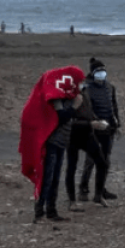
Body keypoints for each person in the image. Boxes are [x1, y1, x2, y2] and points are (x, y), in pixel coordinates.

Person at [20, 66, 85, 223]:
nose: (80, 84)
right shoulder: (57, 98)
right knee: (47, 178)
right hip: (52, 142)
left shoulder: (70, 96)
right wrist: (75, 106)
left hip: (61, 142)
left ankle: (51, 211)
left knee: (55, 178)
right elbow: (60, 117)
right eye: (79, 81)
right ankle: (39, 213)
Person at [79, 58, 120, 202]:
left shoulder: (110, 87)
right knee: (91, 160)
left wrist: (117, 124)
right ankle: (83, 188)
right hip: (94, 129)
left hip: (108, 129)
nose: (102, 73)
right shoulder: (87, 89)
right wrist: (91, 123)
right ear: (92, 73)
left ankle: (101, 188)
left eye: (103, 70)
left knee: (105, 160)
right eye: (98, 71)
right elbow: (85, 109)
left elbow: (113, 107)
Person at [65, 80, 110, 209]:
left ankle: (98, 195)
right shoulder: (68, 97)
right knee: (71, 167)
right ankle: (72, 200)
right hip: (73, 136)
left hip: (88, 135)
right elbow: (67, 120)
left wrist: (97, 121)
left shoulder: (84, 93)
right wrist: (91, 124)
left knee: (102, 163)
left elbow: (88, 112)